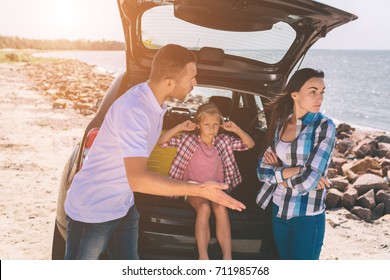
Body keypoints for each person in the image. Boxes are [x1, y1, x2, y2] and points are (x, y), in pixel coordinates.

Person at [64, 44, 245, 260]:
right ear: (169, 82)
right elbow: (138, 180)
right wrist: (200, 190)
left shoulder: (156, 104)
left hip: (124, 205)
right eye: (192, 78)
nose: (195, 83)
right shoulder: (134, 110)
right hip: (93, 209)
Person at [256, 68, 335, 260]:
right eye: (313, 91)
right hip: (278, 208)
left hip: (307, 214)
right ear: (295, 94)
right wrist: (298, 170)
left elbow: (308, 182)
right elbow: (261, 170)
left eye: (322, 92)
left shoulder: (325, 126)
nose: (320, 98)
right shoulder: (281, 124)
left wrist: (279, 175)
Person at [158, 103, 255, 259]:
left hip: (217, 191)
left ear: (220, 125)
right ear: (198, 125)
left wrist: (236, 129)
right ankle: (203, 257)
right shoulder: (187, 140)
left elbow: (249, 144)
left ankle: (227, 257)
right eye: (207, 125)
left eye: (216, 124)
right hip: (194, 189)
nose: (211, 128)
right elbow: (162, 142)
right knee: (204, 208)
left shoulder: (224, 140)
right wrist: (180, 127)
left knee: (221, 209)